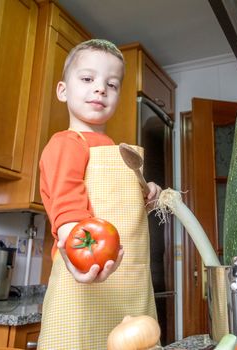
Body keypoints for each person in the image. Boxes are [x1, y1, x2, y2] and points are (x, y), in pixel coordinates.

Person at [37, 39, 161, 350]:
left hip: (128, 286)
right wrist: (79, 260)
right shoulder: (66, 142)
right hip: (85, 278)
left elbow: (121, 212)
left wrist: (147, 196)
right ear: (63, 90)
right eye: (88, 79)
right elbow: (68, 207)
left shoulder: (120, 152)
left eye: (112, 84)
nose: (100, 89)